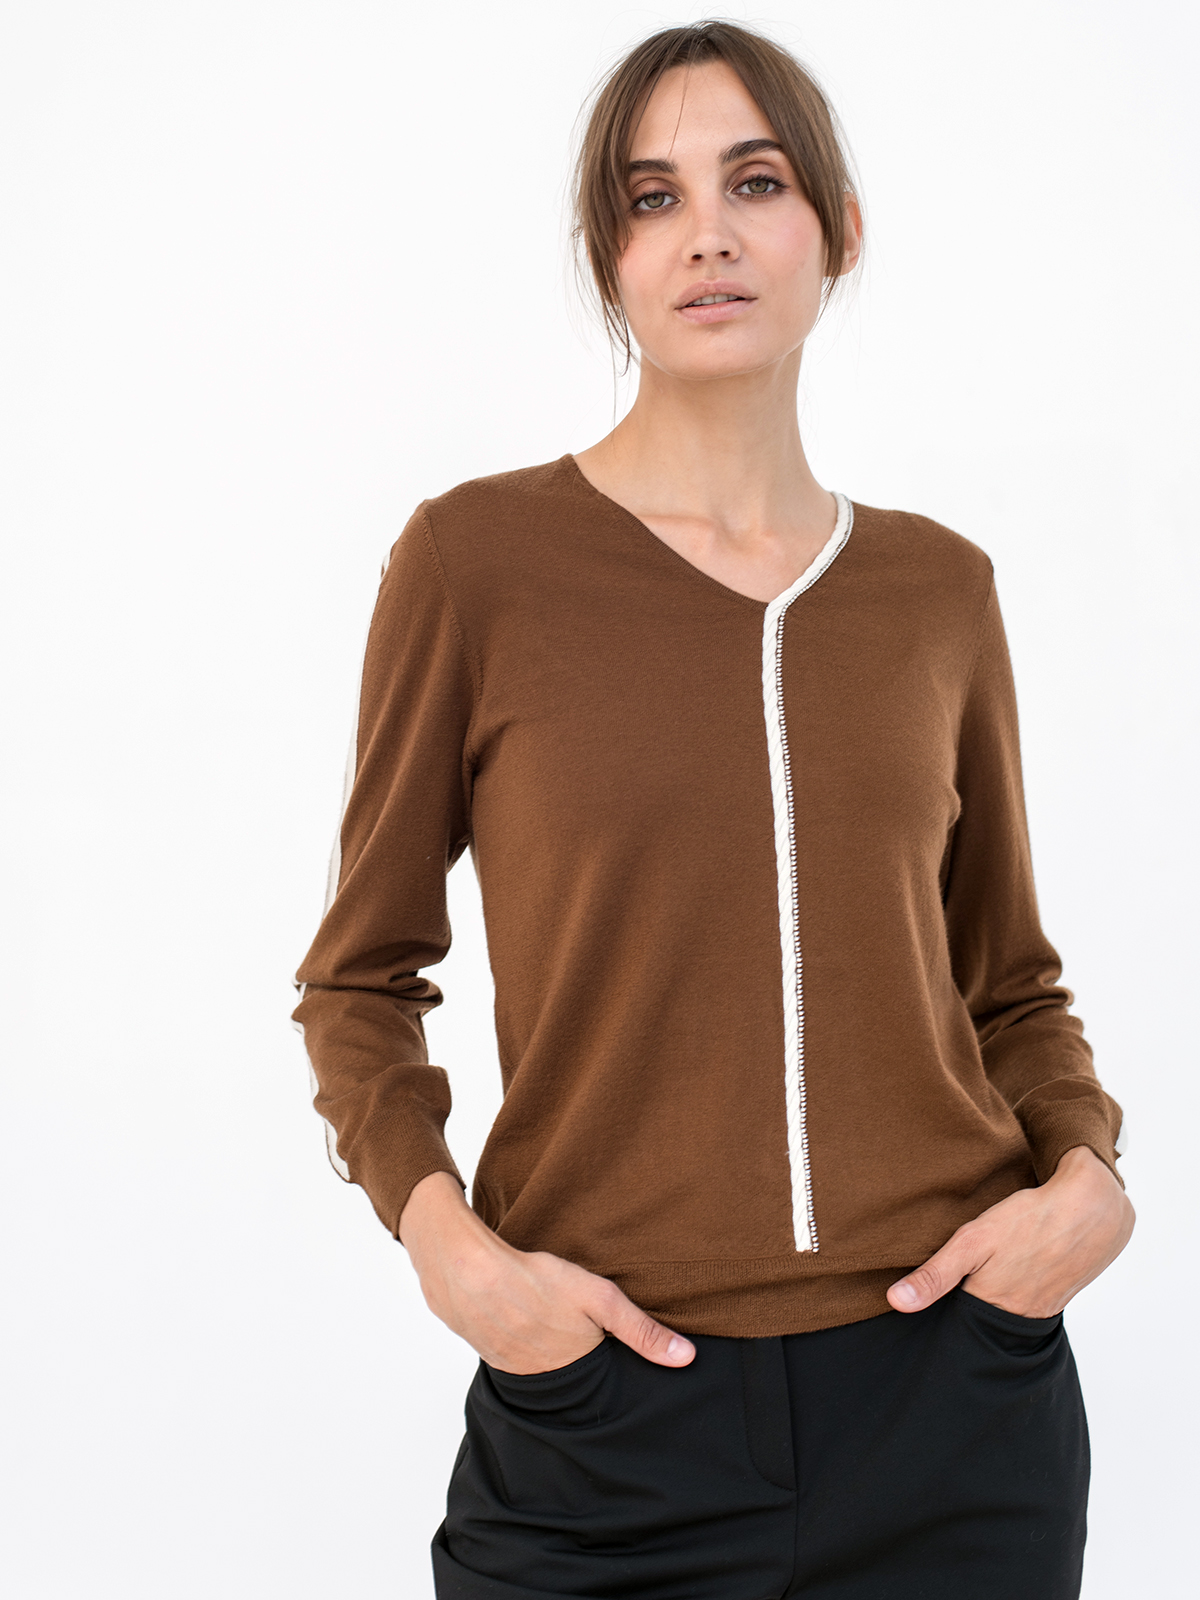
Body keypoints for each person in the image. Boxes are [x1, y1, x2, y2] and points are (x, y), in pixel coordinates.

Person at [293, 20, 1134, 1599]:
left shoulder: (939, 590)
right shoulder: (475, 566)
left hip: (956, 1405)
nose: (709, 235)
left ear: (839, 228)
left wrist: (1086, 1177)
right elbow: (359, 981)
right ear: (607, 259)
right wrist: (449, 1250)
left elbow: (1010, 981)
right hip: (602, 1417)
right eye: (651, 198)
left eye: (755, 182)